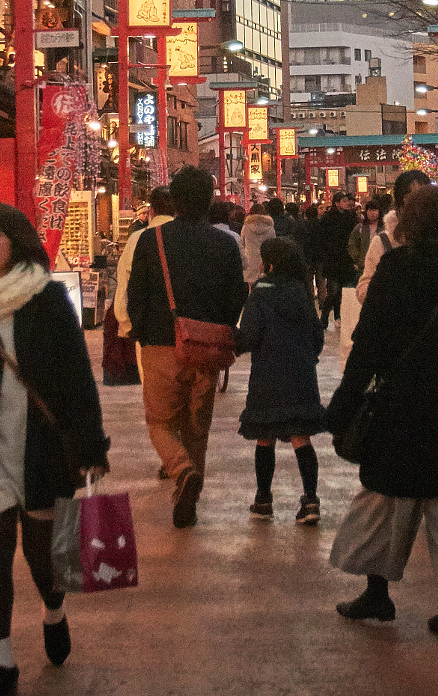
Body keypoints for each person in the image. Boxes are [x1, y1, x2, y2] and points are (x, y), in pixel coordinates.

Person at [0, 203, 110, 696]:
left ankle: (54, 609)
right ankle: (1, 663)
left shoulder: (47, 296)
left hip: (39, 445)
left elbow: (76, 375)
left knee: (41, 554)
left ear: (17, 241)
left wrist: (90, 445)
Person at [326, 188, 438, 641]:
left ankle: (377, 593)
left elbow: (367, 346)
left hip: (400, 406)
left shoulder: (396, 269)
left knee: (388, 504)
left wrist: (342, 406)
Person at [126, 163, 248, 527]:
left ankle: (181, 471)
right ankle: (188, 496)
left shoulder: (152, 240)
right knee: (197, 428)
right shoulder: (225, 243)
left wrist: (141, 332)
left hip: (161, 344)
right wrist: (221, 329)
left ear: (174, 201)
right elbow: (236, 296)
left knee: (160, 423)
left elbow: (137, 294)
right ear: (210, 201)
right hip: (207, 349)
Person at [235, 237, 328, 524]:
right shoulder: (301, 292)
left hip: (268, 377)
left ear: (271, 264)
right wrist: (307, 359)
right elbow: (317, 335)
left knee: (265, 437)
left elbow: (249, 337)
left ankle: (263, 499)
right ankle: (310, 500)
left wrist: (232, 341)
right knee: (301, 437)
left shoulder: (260, 293)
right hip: (300, 375)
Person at [109, 188, 173, 386]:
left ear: (152, 211)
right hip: (190, 331)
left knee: (155, 398)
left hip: (149, 330)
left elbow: (125, 283)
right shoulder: (197, 239)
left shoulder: (137, 239)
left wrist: (127, 324)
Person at [355, 170, 432, 305]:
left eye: (425, 196)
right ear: (400, 201)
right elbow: (362, 291)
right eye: (411, 197)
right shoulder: (384, 241)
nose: (419, 203)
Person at [313, 191, 360, 323]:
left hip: (346, 258)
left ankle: (338, 316)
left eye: (347, 201)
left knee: (342, 291)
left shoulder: (350, 218)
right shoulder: (328, 218)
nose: (347, 203)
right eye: (344, 201)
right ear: (337, 203)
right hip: (332, 259)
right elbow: (322, 238)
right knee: (333, 291)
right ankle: (325, 317)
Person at [240, 212, 277, 285]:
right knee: (264, 285)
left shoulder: (246, 227)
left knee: (250, 286)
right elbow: (274, 246)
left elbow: (242, 243)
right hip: (265, 261)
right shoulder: (270, 229)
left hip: (249, 259)